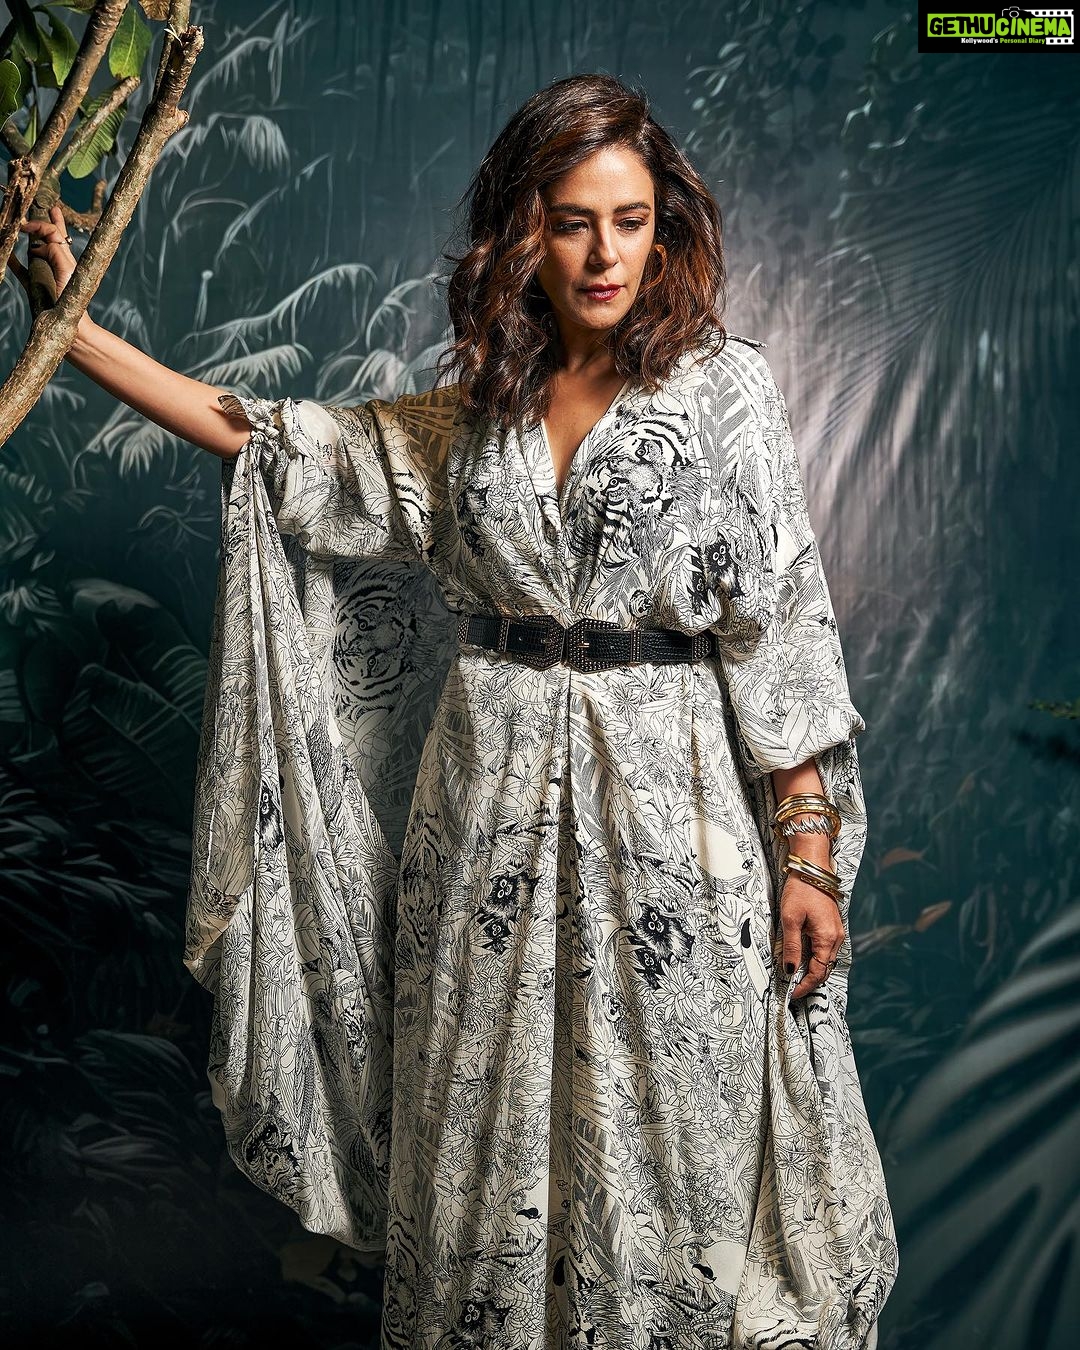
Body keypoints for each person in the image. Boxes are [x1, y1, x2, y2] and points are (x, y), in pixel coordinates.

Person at [14, 72, 897, 1350]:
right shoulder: (478, 409)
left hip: (676, 832)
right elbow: (271, 440)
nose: (606, 255)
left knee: (678, 1147)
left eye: (632, 221)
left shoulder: (726, 393)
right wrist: (75, 325)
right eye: (574, 222)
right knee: (489, 1131)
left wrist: (806, 853)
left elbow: (783, 625)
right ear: (523, 232)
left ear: (666, 227)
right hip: (483, 826)